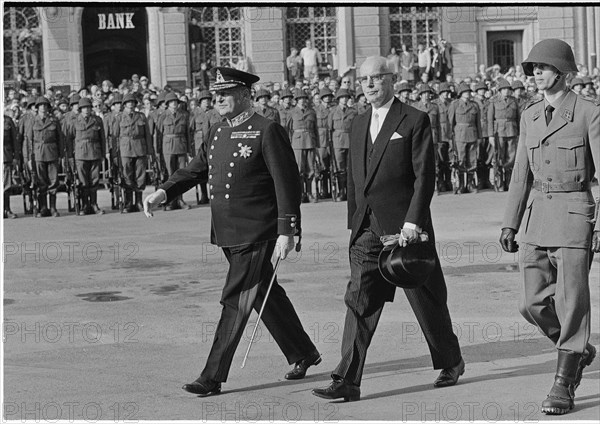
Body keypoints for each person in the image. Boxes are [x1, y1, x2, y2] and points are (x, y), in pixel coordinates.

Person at [142, 67, 321, 396]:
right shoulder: (216, 130)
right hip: (227, 231)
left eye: (225, 94)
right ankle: (304, 352)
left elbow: (287, 184)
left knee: (235, 299)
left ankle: (211, 376)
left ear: (244, 95)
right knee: (266, 295)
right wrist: (164, 191)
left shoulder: (267, 130)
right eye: (215, 94)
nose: (217, 99)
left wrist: (287, 230)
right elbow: (197, 169)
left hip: (256, 232)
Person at [312, 56, 464, 402]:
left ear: (392, 79)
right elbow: (355, 181)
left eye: (376, 78)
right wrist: (354, 223)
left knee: (427, 301)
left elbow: (425, 176)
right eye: (363, 79)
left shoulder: (414, 119)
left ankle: (451, 360)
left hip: (405, 230)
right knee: (360, 300)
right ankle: (347, 380)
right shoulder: (358, 122)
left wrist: (413, 223)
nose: (368, 84)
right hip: (367, 228)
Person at [500, 38, 599, 416]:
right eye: (532, 69)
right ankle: (577, 349)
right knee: (531, 303)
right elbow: (520, 174)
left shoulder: (589, 112)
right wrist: (510, 221)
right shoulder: (530, 114)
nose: (535, 74)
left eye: (541, 68)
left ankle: (564, 382)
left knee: (572, 302)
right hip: (537, 217)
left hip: (575, 217)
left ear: (563, 72)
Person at [66, 97, 106, 215]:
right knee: (83, 181)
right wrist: (70, 156)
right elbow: (69, 140)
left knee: (94, 180)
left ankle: (94, 204)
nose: (87, 110)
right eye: (84, 108)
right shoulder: (74, 121)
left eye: (88, 107)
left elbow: (102, 138)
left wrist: (103, 154)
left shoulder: (97, 120)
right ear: (80, 109)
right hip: (80, 153)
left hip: (94, 152)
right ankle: (84, 205)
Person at [27, 96, 64, 217]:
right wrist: (29, 157)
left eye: (45, 105)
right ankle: (43, 207)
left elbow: (60, 138)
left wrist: (61, 155)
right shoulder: (32, 121)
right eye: (40, 105)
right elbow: (29, 141)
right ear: (37, 108)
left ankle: (53, 207)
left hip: (52, 152)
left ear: (48, 107)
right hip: (38, 154)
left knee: (53, 181)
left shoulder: (54, 121)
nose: (43, 107)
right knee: (41, 181)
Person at [116, 94, 153, 213]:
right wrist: (114, 153)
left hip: (139, 148)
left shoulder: (141, 116)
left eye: (133, 102)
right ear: (124, 104)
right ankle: (128, 202)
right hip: (125, 149)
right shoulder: (119, 117)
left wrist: (149, 151)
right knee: (127, 175)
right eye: (128, 102)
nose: (131, 104)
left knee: (140, 175)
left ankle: (138, 201)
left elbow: (147, 134)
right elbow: (115, 137)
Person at [158, 93, 191, 210]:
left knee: (181, 174)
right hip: (167, 147)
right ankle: (171, 201)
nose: (174, 104)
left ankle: (181, 200)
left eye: (176, 102)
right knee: (171, 175)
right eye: (172, 102)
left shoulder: (184, 115)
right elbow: (158, 135)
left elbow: (187, 133)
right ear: (167, 104)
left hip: (181, 145)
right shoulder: (163, 116)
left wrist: (189, 150)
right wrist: (157, 151)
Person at [286, 88, 318, 203]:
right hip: (297, 143)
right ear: (296, 101)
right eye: (300, 99)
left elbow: (315, 129)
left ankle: (309, 193)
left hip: (310, 141)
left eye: (304, 99)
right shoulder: (292, 112)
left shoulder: (312, 112)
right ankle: (301, 193)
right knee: (299, 170)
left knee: (310, 169)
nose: (302, 101)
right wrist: (288, 144)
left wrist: (317, 144)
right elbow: (288, 129)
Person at [448, 83, 481, 194]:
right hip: (460, 135)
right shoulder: (455, 105)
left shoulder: (474, 105)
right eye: (466, 92)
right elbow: (450, 122)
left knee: (472, 159)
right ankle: (461, 184)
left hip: (472, 133)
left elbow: (478, 123)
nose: (468, 94)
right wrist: (450, 137)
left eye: (469, 92)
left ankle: (471, 184)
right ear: (461, 93)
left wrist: (479, 137)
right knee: (461, 159)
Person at [488, 78, 520, 192]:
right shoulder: (494, 101)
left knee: (511, 156)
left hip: (512, 130)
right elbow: (490, 119)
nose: (506, 91)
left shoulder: (514, 101)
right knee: (499, 156)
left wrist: (519, 133)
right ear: (499, 91)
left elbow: (518, 117)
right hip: (499, 132)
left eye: (508, 89)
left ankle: (508, 180)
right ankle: (499, 181)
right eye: (504, 89)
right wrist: (490, 135)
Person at [328, 88, 356, 201]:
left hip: (349, 140)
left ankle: (349, 192)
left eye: (346, 98)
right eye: (342, 98)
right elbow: (329, 129)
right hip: (337, 142)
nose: (344, 100)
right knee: (339, 168)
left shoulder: (353, 112)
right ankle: (341, 191)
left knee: (350, 168)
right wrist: (329, 144)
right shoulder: (333, 112)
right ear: (338, 99)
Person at [3, 111, 20, 219]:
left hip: (6, 156)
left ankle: (7, 209)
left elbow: (15, 140)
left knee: (6, 185)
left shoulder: (8, 120)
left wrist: (16, 157)